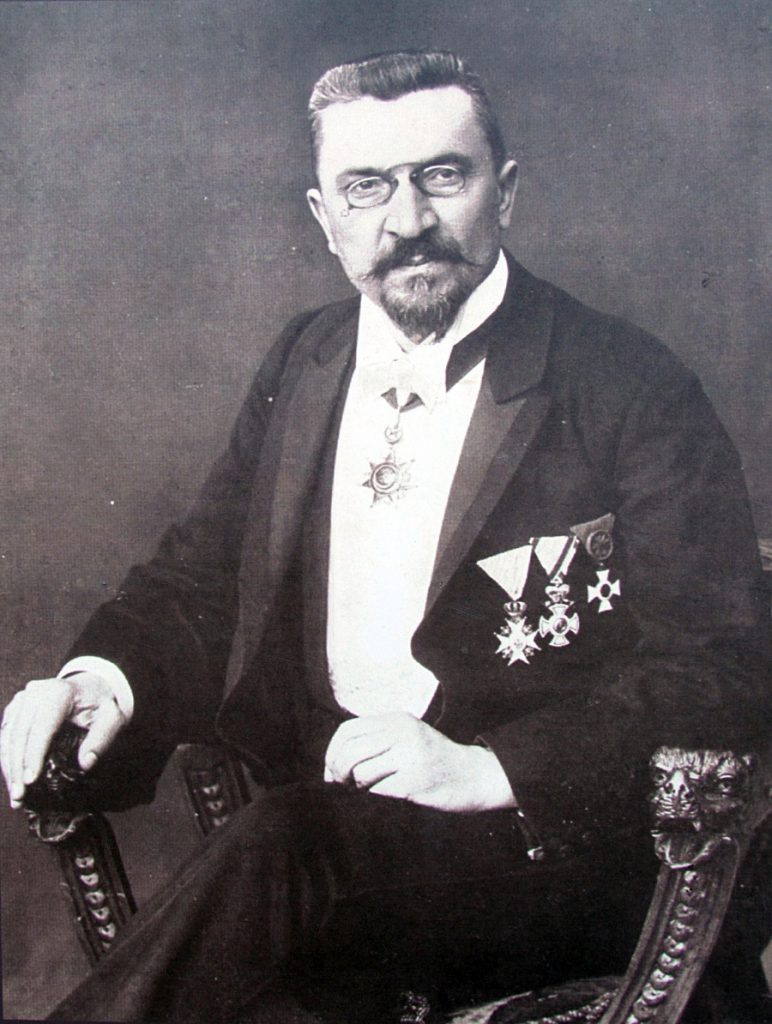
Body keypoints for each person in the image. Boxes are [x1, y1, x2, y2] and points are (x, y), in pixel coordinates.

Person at [2, 50, 770, 1023]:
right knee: (281, 886)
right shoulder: (308, 359)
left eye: (441, 176)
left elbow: (724, 664)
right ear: (325, 218)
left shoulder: (631, 386)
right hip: (334, 852)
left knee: (286, 845)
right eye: (366, 187)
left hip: (550, 863)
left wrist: (490, 769)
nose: (407, 221)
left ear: (505, 192)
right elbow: (202, 580)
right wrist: (101, 679)